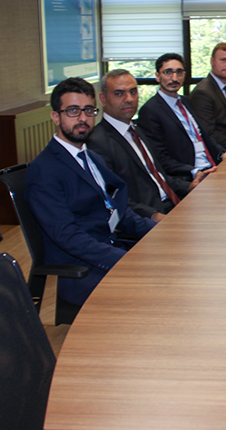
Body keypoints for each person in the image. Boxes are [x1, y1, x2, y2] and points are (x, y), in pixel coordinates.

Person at [24, 77, 157, 307]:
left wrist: (161, 231)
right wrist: (124, 261)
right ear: (56, 116)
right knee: (161, 291)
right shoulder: (44, 170)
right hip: (83, 271)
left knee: (175, 266)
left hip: (110, 248)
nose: (83, 118)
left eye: (88, 110)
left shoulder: (91, 157)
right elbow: (68, 237)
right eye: (73, 111)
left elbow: (117, 210)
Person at [90, 69, 210, 222]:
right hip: (148, 219)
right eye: (119, 94)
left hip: (175, 204)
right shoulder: (97, 142)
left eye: (133, 92)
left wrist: (189, 186)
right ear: (103, 99)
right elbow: (113, 199)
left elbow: (158, 177)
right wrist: (155, 216)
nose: (129, 99)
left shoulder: (136, 130)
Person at [137, 53, 226, 185]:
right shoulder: (150, 110)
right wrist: (194, 171)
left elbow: (203, 136)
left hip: (211, 166)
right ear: (157, 76)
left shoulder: (186, 102)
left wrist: (223, 153)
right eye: (168, 72)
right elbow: (159, 158)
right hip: (189, 176)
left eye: (179, 72)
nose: (174, 78)